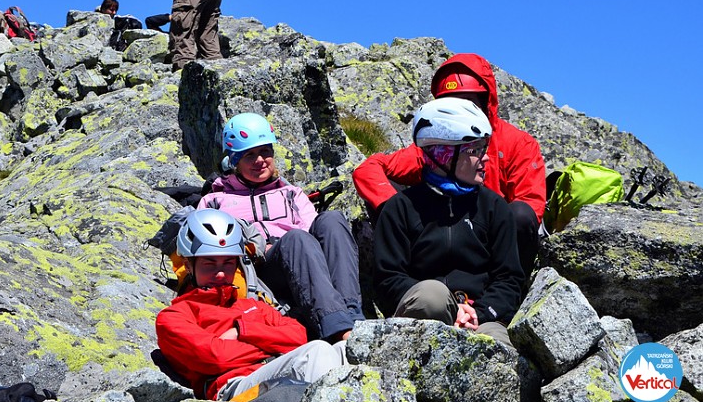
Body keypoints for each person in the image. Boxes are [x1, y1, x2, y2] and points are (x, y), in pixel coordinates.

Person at [352, 53, 546, 275]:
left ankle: (509, 287)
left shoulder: (519, 144)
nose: (461, 110)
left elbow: (530, 208)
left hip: (495, 249)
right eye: (452, 102)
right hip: (439, 248)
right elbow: (368, 170)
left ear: (486, 101)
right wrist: (394, 210)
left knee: (521, 215)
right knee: (392, 195)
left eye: (468, 101)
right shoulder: (435, 148)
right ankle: (407, 280)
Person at [198, 113, 364, 342]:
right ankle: (336, 329)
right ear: (235, 161)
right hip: (258, 270)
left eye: (265, 152)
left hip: (302, 260)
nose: (259, 160)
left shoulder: (291, 193)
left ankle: (352, 314)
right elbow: (209, 246)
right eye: (249, 155)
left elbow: (314, 232)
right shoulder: (215, 201)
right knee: (295, 238)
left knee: (332, 220)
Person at [373, 98, 525, 347]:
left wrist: (479, 313)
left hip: (480, 319)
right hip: (422, 314)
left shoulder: (495, 208)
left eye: (483, 148)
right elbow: (388, 279)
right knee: (432, 296)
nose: (485, 159)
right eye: (474, 151)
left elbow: (509, 279)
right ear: (443, 155)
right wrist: (452, 308)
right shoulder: (400, 208)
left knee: (498, 346)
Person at [155, 208, 348, 401]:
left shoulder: (253, 305)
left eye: (228, 263)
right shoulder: (173, 317)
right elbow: (216, 358)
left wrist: (243, 332)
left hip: (279, 370)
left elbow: (298, 336)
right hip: (233, 387)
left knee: (343, 350)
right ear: (188, 265)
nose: (220, 273)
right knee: (317, 352)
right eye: (209, 264)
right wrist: (273, 345)